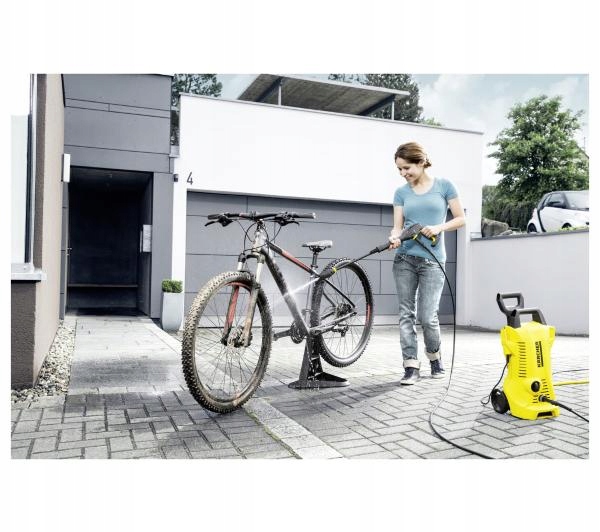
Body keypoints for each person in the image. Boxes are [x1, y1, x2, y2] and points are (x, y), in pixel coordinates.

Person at [388, 142, 465, 385]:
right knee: (406, 314)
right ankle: (410, 366)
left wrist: (439, 227)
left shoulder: (444, 186)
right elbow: (397, 227)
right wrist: (394, 237)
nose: (403, 173)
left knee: (427, 316)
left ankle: (435, 358)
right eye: (399, 169)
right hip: (405, 259)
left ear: (421, 162)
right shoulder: (401, 193)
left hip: (433, 261)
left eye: (406, 168)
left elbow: (461, 219)